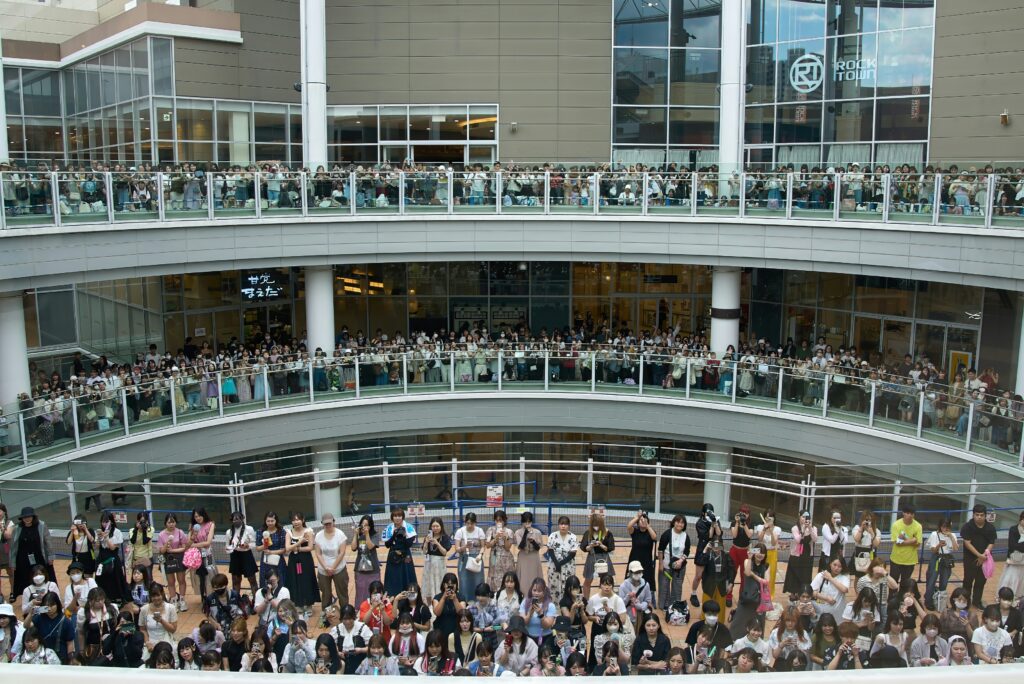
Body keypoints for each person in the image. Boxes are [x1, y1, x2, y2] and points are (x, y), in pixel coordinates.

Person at [8, 507, 55, 601]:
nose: (27, 519)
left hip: (39, 557)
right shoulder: (17, 528)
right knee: (26, 578)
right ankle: (30, 598)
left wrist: (50, 556)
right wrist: (12, 563)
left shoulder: (41, 525)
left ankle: (44, 597)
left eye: (29, 516)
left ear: (33, 517)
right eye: (25, 517)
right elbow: (13, 547)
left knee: (41, 575)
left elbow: (48, 542)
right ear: (22, 518)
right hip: (23, 559)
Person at [960, 504, 997, 609]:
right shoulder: (967, 527)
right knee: (968, 580)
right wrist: (978, 555)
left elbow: (991, 542)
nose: (979, 517)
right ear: (973, 515)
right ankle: (965, 601)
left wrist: (984, 555)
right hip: (970, 559)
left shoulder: (990, 528)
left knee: (981, 581)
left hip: (985, 559)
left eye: (981, 515)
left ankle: (977, 601)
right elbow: (967, 543)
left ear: (985, 515)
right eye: (977, 515)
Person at [731, 543, 770, 639]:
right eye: (758, 552)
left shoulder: (766, 566)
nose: (760, 555)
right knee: (739, 619)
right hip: (747, 596)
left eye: (763, 553)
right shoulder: (747, 561)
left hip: (759, 599)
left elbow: (766, 581)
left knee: (758, 621)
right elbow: (747, 572)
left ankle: (757, 640)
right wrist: (749, 557)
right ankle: (735, 640)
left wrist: (754, 575)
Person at [23, 591, 74, 663]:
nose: (49, 609)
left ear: (57, 605)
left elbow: (70, 643)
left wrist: (70, 659)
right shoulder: (39, 618)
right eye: (46, 606)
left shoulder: (66, 621)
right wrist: (31, 613)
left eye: (52, 605)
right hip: (42, 657)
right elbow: (26, 626)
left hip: (60, 657)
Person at [313, 511, 349, 610]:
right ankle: (326, 616)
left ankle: (345, 613)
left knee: (342, 592)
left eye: (329, 522)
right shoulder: (318, 535)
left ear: (334, 522)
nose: (328, 525)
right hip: (323, 570)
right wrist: (326, 568)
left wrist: (332, 568)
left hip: (339, 568)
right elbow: (318, 553)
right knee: (326, 594)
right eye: (325, 523)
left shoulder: (340, 534)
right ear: (322, 524)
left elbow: (341, 553)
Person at [157, 513, 190, 612]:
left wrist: (172, 551)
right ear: (165, 523)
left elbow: (185, 547)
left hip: (179, 557)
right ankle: (174, 601)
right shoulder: (161, 534)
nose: (171, 524)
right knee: (171, 582)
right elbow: (161, 551)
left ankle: (182, 600)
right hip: (168, 559)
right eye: (169, 522)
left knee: (181, 580)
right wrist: (167, 544)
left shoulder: (180, 532)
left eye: (173, 522)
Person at [94, 510, 129, 604]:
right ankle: (104, 598)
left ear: (111, 521)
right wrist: (99, 538)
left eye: (107, 521)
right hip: (102, 558)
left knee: (115, 578)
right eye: (103, 521)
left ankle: (118, 598)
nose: (104, 524)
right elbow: (97, 547)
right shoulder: (100, 531)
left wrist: (106, 538)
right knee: (102, 579)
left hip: (113, 558)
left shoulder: (117, 532)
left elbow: (113, 548)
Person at [382, 507, 418, 597]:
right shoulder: (389, 528)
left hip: (406, 555)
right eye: (395, 516)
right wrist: (393, 535)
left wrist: (405, 535)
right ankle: (393, 597)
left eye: (399, 516)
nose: (397, 518)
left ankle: (409, 597)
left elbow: (409, 545)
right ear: (392, 517)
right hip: (393, 556)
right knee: (393, 576)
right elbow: (387, 545)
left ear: (403, 517)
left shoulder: (409, 528)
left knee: (407, 575)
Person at [328, 603, 373, 674]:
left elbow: (373, 646)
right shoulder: (336, 630)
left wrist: (361, 650)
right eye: (345, 619)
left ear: (354, 617)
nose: (347, 622)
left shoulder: (363, 628)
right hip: (341, 666)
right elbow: (329, 645)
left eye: (350, 619)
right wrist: (337, 652)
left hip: (360, 664)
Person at [924, 519, 958, 610]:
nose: (945, 529)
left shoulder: (952, 535)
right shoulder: (934, 534)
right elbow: (933, 550)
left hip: (947, 558)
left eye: (947, 527)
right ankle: (928, 601)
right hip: (936, 558)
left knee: (944, 581)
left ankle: (941, 601)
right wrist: (939, 545)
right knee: (931, 580)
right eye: (943, 526)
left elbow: (955, 548)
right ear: (940, 526)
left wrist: (950, 536)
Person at [657, 514, 689, 611]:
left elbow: (687, 551)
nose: (680, 524)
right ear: (674, 522)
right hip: (666, 565)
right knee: (664, 585)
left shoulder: (685, 536)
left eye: (682, 522)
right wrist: (661, 564)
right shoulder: (667, 534)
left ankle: (674, 605)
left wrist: (680, 561)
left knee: (677, 586)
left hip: (680, 567)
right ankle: (664, 605)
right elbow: (660, 550)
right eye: (678, 522)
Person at [225, 511, 258, 598]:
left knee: (252, 580)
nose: (236, 521)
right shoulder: (229, 532)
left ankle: (256, 601)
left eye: (238, 519)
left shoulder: (249, 529)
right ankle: (236, 602)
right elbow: (227, 548)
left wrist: (247, 546)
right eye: (234, 520)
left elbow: (254, 544)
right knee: (235, 581)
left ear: (242, 519)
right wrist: (231, 547)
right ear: (231, 521)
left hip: (247, 555)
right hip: (235, 556)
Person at [694, 538, 735, 611]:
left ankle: (719, 621)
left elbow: (732, 570)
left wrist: (731, 583)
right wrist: (705, 549)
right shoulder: (707, 555)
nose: (716, 547)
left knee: (721, 607)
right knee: (707, 606)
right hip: (709, 585)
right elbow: (700, 562)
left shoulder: (726, 555)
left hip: (722, 585)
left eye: (718, 545)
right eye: (714, 545)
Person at [784, 511, 817, 596]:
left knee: (805, 576)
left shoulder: (813, 528)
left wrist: (810, 528)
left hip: (807, 555)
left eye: (807, 517)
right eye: (803, 517)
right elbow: (798, 540)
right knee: (794, 576)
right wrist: (802, 529)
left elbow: (815, 539)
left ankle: (803, 594)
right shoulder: (795, 528)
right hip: (796, 556)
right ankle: (793, 594)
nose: (805, 519)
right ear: (799, 517)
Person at [546, 515, 578, 603]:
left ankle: (567, 605)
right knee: (553, 585)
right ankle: (553, 607)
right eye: (561, 524)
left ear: (569, 525)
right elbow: (550, 550)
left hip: (568, 565)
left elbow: (573, 554)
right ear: (558, 525)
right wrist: (557, 563)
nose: (563, 526)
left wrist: (561, 563)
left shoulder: (573, 537)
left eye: (566, 524)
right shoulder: (552, 535)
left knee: (568, 585)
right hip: (554, 565)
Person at [453, 512, 485, 602]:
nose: (470, 525)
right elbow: (457, 549)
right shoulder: (460, 531)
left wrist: (480, 555)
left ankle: (479, 602)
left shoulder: (480, 531)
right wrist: (465, 547)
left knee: (478, 581)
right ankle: (465, 602)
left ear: (475, 523)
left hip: (476, 559)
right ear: (465, 522)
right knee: (464, 581)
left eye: (472, 523)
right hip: (464, 558)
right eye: (468, 523)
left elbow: (483, 546)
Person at [890, 504, 923, 586]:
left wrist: (902, 540)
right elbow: (896, 543)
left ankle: (902, 598)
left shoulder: (918, 526)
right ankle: (892, 599)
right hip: (896, 559)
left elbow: (918, 544)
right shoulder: (896, 525)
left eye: (912, 514)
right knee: (893, 583)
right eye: (908, 513)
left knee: (905, 584)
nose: (910, 515)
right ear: (903, 513)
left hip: (910, 561)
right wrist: (913, 540)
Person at [351, 514, 380, 606]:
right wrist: (355, 534)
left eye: (366, 525)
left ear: (370, 526)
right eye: (362, 524)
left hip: (373, 569)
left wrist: (367, 534)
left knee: (374, 591)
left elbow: (371, 546)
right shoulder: (358, 535)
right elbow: (353, 547)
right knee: (360, 591)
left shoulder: (375, 535)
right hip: (360, 569)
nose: (364, 527)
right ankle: (360, 610)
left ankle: (374, 609)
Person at [421, 516, 452, 600]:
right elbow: (424, 552)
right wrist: (426, 543)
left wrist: (437, 544)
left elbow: (444, 553)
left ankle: (440, 602)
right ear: (431, 527)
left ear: (441, 526)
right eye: (433, 526)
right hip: (429, 564)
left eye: (437, 526)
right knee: (428, 584)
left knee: (439, 582)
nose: (435, 528)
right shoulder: (427, 537)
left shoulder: (445, 537)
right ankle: (429, 605)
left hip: (439, 564)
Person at [522, 576, 559, 645]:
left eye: (539, 591)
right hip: (528, 637)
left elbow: (546, 626)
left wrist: (541, 614)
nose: (536, 593)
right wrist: (530, 614)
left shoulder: (550, 605)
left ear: (544, 591)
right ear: (531, 590)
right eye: (534, 590)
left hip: (546, 638)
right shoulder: (525, 602)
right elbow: (522, 623)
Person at [812, 556, 850, 622]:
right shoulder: (821, 575)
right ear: (830, 564)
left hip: (838, 614)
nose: (836, 568)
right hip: (822, 611)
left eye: (839, 566)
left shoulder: (844, 577)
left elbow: (844, 590)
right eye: (834, 565)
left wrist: (830, 578)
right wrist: (825, 598)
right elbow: (810, 591)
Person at [754, 509, 782, 599]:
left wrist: (771, 529)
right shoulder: (760, 527)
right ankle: (759, 593)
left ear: (774, 519)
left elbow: (774, 543)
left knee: (772, 574)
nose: (768, 520)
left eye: (770, 518)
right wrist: (764, 529)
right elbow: (760, 539)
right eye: (766, 517)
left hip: (772, 552)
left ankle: (770, 595)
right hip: (761, 552)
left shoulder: (777, 529)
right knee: (760, 572)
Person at [627, 509, 658, 590]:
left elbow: (654, 537)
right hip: (634, 559)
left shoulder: (650, 532)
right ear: (637, 523)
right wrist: (637, 517)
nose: (643, 521)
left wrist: (648, 526)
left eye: (645, 520)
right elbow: (629, 526)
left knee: (647, 582)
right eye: (641, 521)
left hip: (646, 561)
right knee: (632, 581)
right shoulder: (635, 531)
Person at [485, 510, 515, 591]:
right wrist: (496, 538)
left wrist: (506, 538)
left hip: (506, 558)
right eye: (497, 520)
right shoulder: (490, 530)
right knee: (493, 574)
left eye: (500, 520)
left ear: (504, 520)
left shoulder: (509, 531)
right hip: (494, 556)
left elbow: (508, 548)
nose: (499, 522)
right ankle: (494, 593)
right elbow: (487, 545)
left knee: (506, 575)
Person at [514, 511, 544, 592]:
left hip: (534, 557)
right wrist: (525, 534)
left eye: (529, 521)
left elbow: (538, 548)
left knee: (534, 576)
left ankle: (536, 594)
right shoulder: (518, 532)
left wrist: (533, 542)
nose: (527, 523)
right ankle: (523, 595)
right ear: (522, 522)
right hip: (523, 556)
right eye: (525, 521)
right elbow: (520, 547)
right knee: (523, 577)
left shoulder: (537, 532)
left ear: (531, 521)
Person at [998, 511, 1024, 598]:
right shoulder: (1014, 529)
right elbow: (1012, 545)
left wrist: (1019, 546)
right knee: (1010, 580)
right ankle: (1005, 596)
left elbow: (1017, 545)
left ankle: (1018, 597)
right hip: (1014, 561)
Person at [619, 560, 654, 625]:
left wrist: (639, 605)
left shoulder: (646, 585)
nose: (638, 574)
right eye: (635, 572)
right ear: (630, 572)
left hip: (641, 617)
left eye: (639, 572)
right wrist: (628, 597)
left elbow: (648, 601)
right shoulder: (623, 586)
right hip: (627, 618)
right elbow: (621, 605)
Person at [851, 511, 880, 583]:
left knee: (870, 577)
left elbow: (876, 545)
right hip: (859, 554)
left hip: (871, 555)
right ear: (862, 519)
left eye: (870, 520)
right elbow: (857, 539)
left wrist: (872, 533)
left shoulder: (876, 531)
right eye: (866, 519)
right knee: (858, 578)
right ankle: (858, 594)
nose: (868, 522)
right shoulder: (857, 528)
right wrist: (861, 528)